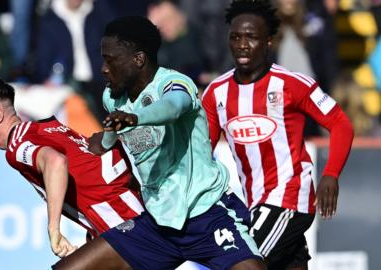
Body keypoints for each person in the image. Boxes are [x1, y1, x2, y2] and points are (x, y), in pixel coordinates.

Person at [51, 16, 265, 270]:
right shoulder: (113, 96)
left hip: (207, 213)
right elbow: (116, 125)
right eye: (103, 59)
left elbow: (173, 107)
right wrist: (107, 141)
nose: (103, 69)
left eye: (111, 60)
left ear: (138, 60)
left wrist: (135, 118)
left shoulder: (174, 83)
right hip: (158, 224)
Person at [201, 1, 354, 269]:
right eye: (236, 37)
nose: (242, 45)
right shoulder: (216, 93)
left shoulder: (293, 84)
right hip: (254, 203)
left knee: (242, 262)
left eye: (251, 37)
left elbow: (341, 124)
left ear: (269, 41)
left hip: (289, 197)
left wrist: (330, 174)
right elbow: (202, 150)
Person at [0, 77, 144, 259]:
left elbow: (56, 163)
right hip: (129, 216)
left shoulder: (17, 146)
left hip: (121, 223)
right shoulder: (50, 128)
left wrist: (53, 230)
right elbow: (109, 157)